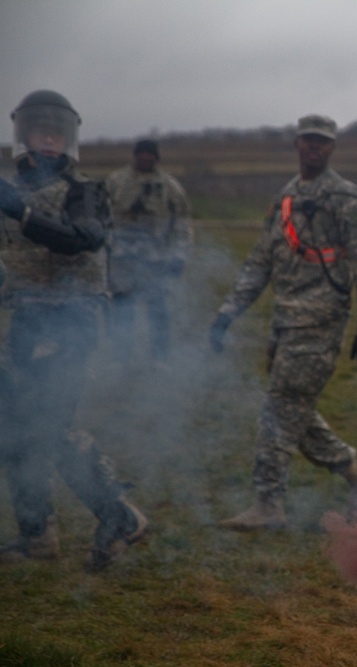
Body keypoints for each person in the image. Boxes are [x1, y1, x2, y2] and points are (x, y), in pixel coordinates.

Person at [211, 114, 357, 530]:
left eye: (323, 142)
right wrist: (226, 313)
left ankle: (268, 504)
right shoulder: (284, 199)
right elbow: (259, 263)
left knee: (279, 409)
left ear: (332, 149)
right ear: (296, 144)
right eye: (308, 140)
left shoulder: (347, 198)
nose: (315, 147)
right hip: (284, 322)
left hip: (321, 324)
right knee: (293, 408)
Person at [0, 89, 148, 571]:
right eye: (39, 132)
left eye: (55, 134)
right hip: (23, 323)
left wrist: (21, 214)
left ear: (69, 141)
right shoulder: (11, 191)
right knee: (16, 432)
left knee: (48, 428)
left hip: (67, 325)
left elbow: (84, 240)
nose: (47, 141)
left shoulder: (84, 191)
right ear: (22, 136)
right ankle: (37, 532)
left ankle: (119, 516)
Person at [104, 138, 193, 364]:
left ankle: (160, 357)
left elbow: (182, 226)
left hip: (156, 261)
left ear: (156, 157)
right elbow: (101, 219)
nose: (145, 157)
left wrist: (179, 256)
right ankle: (121, 359)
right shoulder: (115, 182)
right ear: (135, 155)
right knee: (123, 311)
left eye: (149, 154)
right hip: (122, 260)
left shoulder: (170, 187)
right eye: (141, 153)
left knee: (158, 311)